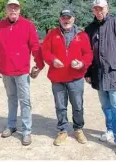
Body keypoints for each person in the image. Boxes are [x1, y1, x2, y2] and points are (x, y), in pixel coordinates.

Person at [0, 0, 44, 146]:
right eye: (10, 8)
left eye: (15, 8)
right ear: (6, 10)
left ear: (19, 10)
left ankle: (26, 131)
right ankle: (11, 125)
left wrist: (39, 63)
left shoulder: (28, 25)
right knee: (11, 99)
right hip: (6, 71)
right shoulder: (0, 26)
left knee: (25, 101)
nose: (13, 10)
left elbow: (35, 46)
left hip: (22, 71)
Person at [84, 0, 116, 158]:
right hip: (98, 75)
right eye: (96, 9)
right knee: (105, 106)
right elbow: (86, 53)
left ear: (107, 8)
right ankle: (110, 130)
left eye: (101, 8)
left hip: (114, 74)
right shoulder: (90, 29)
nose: (98, 11)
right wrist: (87, 73)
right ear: (93, 10)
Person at [41, 9, 93, 146]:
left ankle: (78, 129)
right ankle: (63, 130)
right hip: (57, 78)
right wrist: (52, 60)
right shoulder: (52, 34)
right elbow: (45, 51)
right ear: (60, 20)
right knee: (60, 106)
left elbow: (88, 54)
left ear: (73, 19)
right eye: (64, 18)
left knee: (77, 106)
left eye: (69, 17)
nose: (66, 20)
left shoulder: (82, 35)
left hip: (75, 78)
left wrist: (82, 63)